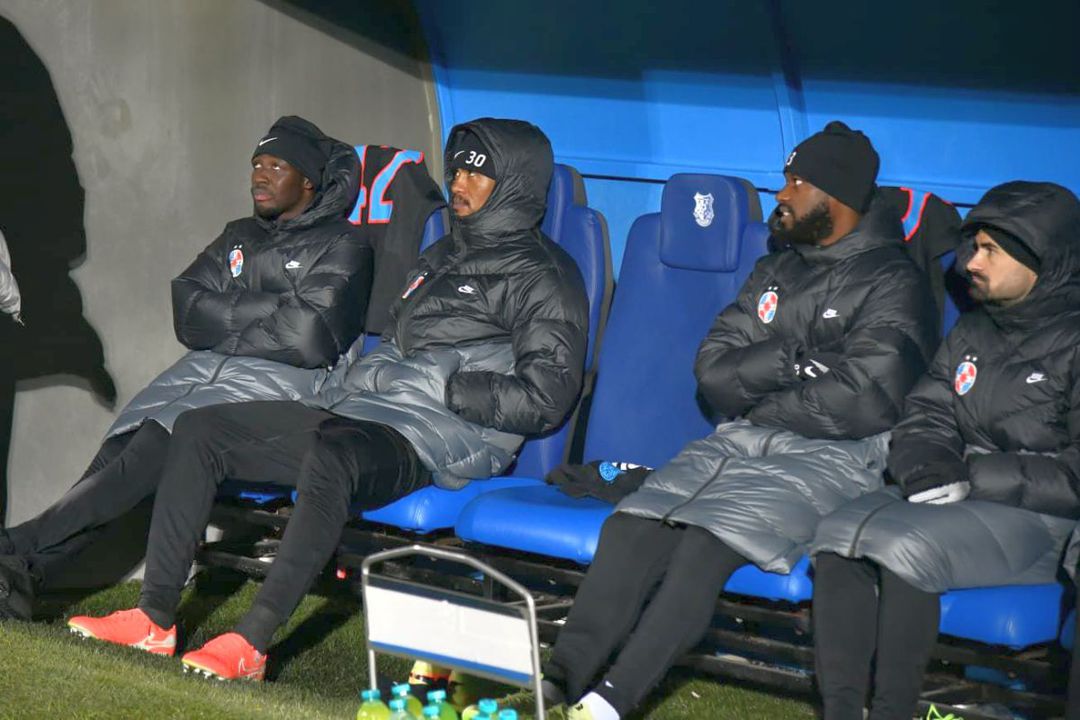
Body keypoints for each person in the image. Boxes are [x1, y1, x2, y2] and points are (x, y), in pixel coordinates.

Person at [67, 118, 590, 683]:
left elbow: (545, 397)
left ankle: (251, 642)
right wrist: (366, 380)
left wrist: (444, 386)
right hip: (364, 413)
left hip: (435, 436)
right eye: (457, 169)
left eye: (476, 175)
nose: (459, 183)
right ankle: (153, 617)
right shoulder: (439, 256)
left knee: (333, 454)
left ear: (513, 185)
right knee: (200, 429)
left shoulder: (545, 276)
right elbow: (396, 345)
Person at [541, 121, 939, 720]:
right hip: (738, 441)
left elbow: (865, 400)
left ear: (836, 197)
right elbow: (713, 369)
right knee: (634, 523)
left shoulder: (894, 281)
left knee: (706, 540)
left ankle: (610, 702)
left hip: (835, 458)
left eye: (797, 182)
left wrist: (760, 399)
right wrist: (789, 362)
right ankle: (559, 680)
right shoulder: (776, 269)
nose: (783, 192)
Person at [0, 116, 390, 619]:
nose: (260, 175)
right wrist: (271, 307)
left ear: (309, 181)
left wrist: (228, 315)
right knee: (115, 456)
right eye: (256, 163)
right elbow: (187, 307)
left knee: (140, 457)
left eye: (277, 166)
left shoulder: (344, 245)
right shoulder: (239, 234)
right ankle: (20, 577)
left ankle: (16, 545)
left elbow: (308, 337)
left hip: (278, 393)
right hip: (195, 378)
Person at [811, 181, 1080, 720]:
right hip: (961, 498)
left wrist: (973, 475)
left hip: (1041, 521)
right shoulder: (974, 331)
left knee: (908, 549)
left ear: (1041, 261)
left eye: (990, 251)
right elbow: (926, 413)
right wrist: (928, 466)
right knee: (837, 536)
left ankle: (891, 711)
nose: (971, 263)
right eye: (973, 247)